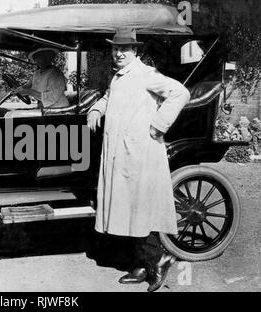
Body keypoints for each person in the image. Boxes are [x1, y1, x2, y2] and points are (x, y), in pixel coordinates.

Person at [87, 28, 191, 292]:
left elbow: (180, 93)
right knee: (130, 209)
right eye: (115, 48)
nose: (119, 53)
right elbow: (111, 96)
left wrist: (159, 123)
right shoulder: (119, 77)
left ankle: (159, 261)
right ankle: (142, 265)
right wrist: (97, 108)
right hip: (122, 155)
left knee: (140, 208)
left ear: (136, 51)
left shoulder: (146, 74)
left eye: (125, 49)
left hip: (140, 155)